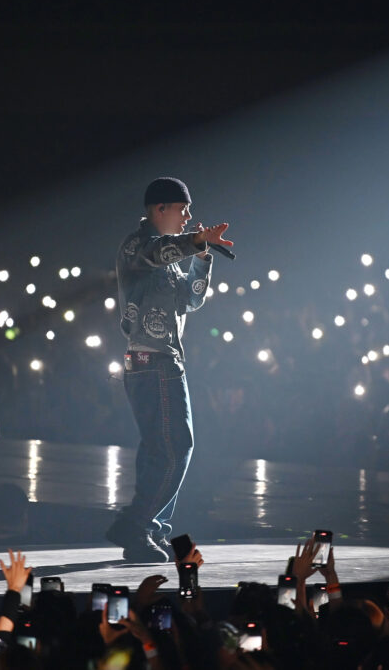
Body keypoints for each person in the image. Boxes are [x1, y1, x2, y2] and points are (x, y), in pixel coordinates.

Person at [106, 177, 232, 562]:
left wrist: (202, 256)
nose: (189, 216)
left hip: (164, 362)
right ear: (160, 208)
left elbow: (190, 301)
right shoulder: (137, 245)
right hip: (153, 363)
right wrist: (194, 241)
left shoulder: (172, 255)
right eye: (183, 209)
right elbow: (156, 253)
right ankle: (137, 524)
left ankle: (150, 529)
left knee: (159, 450)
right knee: (176, 447)